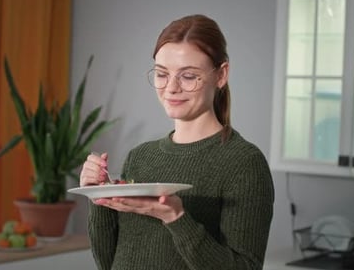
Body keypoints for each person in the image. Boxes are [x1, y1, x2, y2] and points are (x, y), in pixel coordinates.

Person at [79, 14, 274, 270]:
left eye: (189, 76)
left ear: (221, 75)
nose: (171, 88)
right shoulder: (140, 157)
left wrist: (176, 218)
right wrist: (99, 197)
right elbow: (109, 262)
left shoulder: (243, 162)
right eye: (162, 74)